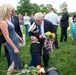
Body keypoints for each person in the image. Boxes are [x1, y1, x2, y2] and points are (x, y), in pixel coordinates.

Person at [0, 4, 24, 75]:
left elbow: (13, 31)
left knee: (15, 60)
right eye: (10, 11)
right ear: (6, 11)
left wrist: (19, 37)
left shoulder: (7, 19)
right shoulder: (3, 22)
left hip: (15, 41)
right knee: (13, 61)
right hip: (11, 44)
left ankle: (17, 72)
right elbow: (7, 37)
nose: (11, 12)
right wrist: (14, 48)